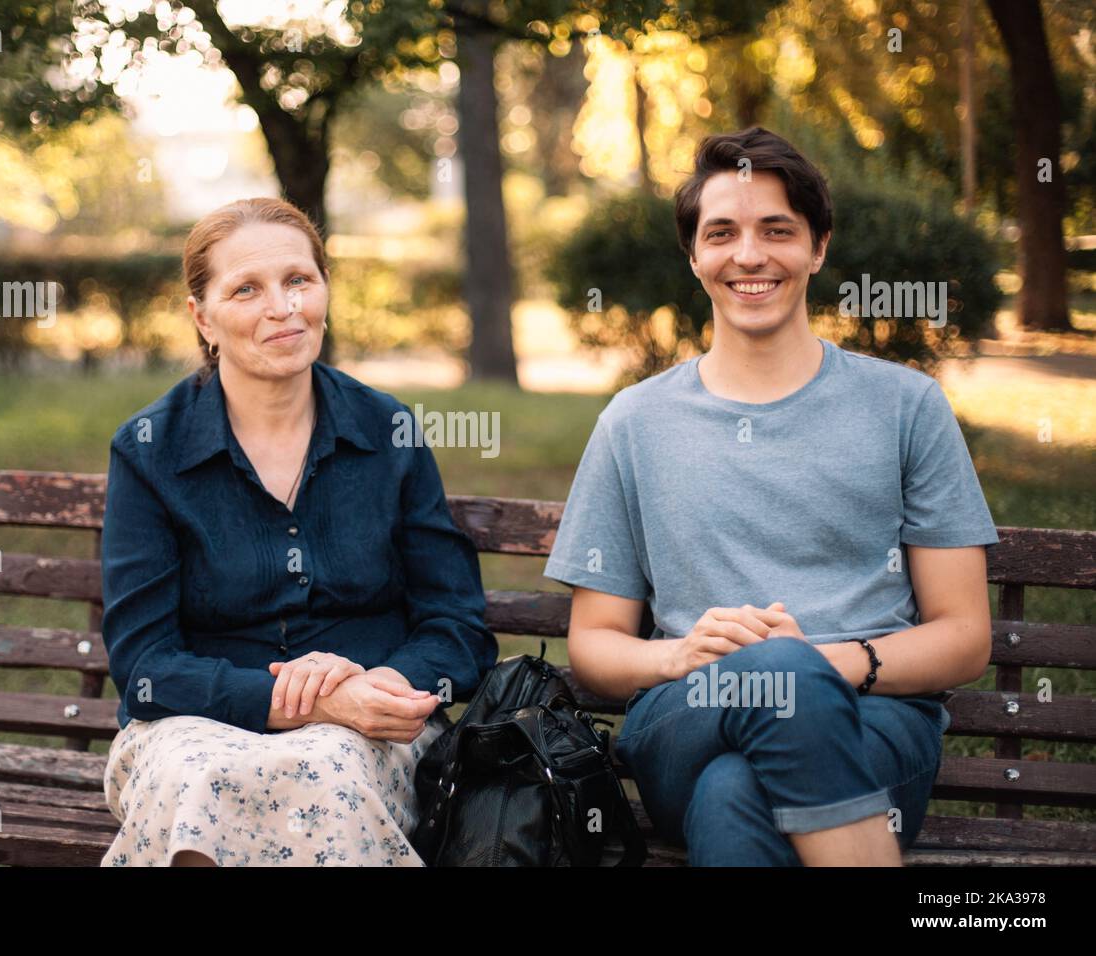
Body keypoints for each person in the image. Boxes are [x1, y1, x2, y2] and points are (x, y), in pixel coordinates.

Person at [543, 127, 998, 866]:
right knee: (757, 704)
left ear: (818, 247)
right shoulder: (636, 422)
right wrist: (679, 657)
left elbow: (964, 635)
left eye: (777, 231)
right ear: (695, 257)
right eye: (721, 233)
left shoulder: (906, 407)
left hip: (874, 725)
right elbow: (593, 645)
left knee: (732, 796)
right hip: (686, 716)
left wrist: (820, 662)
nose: (748, 255)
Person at [100, 197, 497, 866]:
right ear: (202, 317)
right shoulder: (150, 450)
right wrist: (306, 703)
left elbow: (456, 624)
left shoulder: (385, 430)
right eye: (247, 289)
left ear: (324, 289)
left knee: (329, 768)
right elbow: (145, 666)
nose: (282, 308)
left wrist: (380, 690)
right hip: (196, 727)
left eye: (298, 281)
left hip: (373, 724)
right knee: (198, 780)